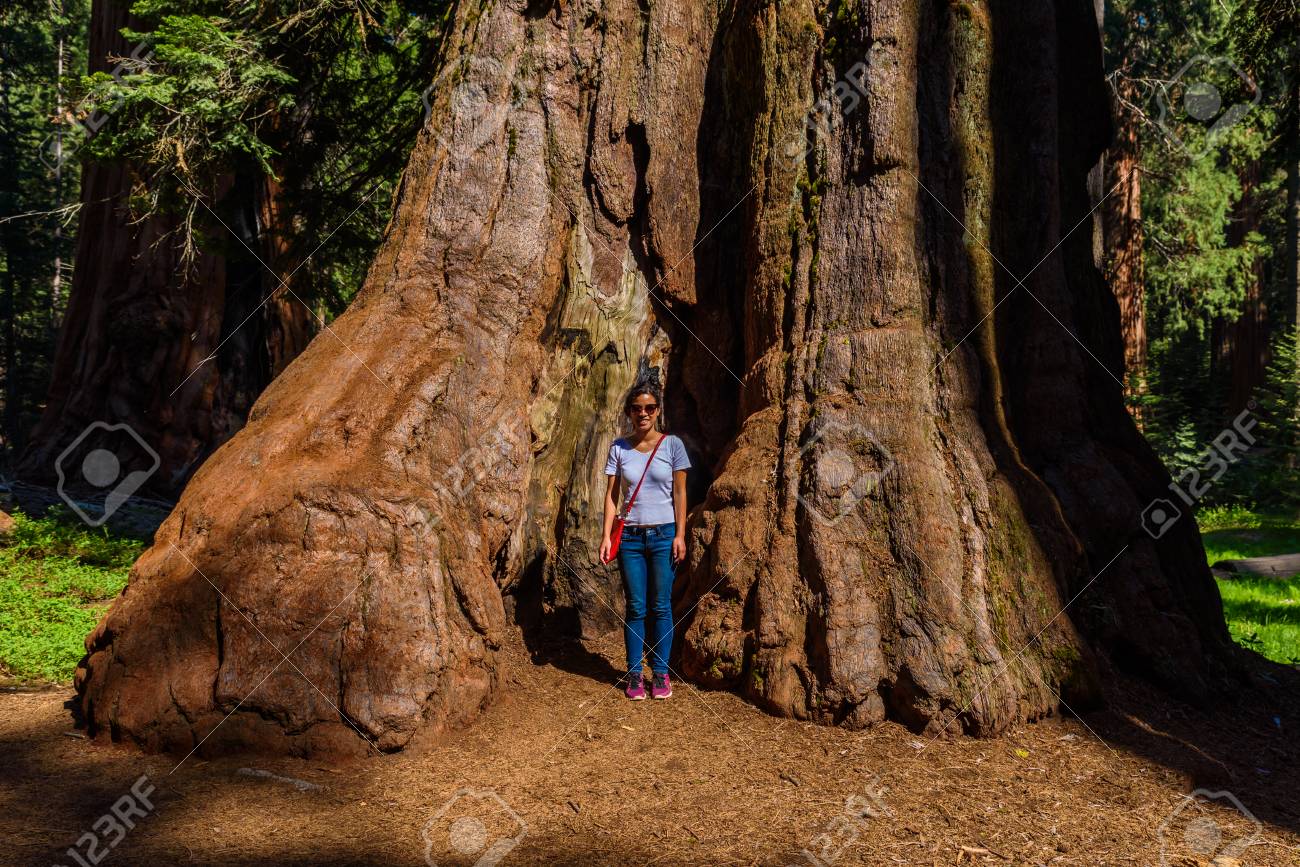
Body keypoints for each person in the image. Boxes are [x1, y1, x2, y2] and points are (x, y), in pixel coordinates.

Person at [599, 380, 690, 700]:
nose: (643, 413)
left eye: (650, 407)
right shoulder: (619, 448)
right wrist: (606, 536)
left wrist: (680, 534)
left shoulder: (673, 445)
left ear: (658, 410)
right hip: (631, 539)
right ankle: (635, 674)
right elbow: (611, 496)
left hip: (664, 535)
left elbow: (680, 493)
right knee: (636, 607)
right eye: (637, 408)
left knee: (661, 606)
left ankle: (661, 674)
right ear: (629, 412)